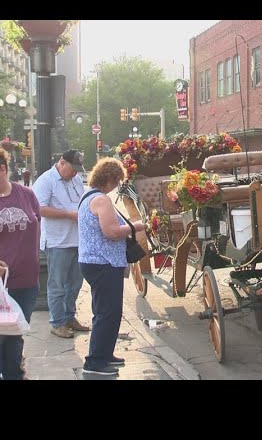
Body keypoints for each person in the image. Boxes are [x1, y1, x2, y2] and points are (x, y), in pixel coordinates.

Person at [78, 157, 145, 376]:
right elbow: (112, 232)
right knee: (107, 312)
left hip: (97, 262)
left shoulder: (90, 196)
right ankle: (95, 362)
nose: (117, 186)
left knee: (107, 311)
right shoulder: (102, 200)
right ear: (109, 178)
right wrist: (135, 227)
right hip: (103, 263)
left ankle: (105, 354)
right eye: (117, 181)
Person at [32, 149, 90, 339]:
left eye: (77, 169)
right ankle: (57, 322)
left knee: (74, 283)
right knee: (57, 284)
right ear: (62, 163)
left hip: (77, 239)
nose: (74, 172)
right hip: (57, 241)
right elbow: (39, 209)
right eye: (72, 168)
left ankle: (69, 317)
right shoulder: (46, 181)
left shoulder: (75, 180)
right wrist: (67, 215)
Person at [0, 148, 41, 380]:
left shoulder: (26, 194)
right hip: (1, 284)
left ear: (3, 170)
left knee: (15, 334)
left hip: (27, 279)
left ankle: (14, 374)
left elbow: (37, 225)